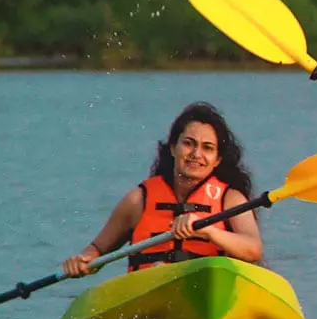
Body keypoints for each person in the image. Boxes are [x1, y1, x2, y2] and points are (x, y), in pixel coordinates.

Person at [61, 102, 262, 277]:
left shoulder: (231, 199)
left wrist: (208, 231)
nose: (196, 154)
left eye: (207, 148)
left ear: (217, 160)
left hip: (205, 286)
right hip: (149, 287)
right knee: (157, 268)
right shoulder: (138, 200)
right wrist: (83, 260)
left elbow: (253, 249)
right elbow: (97, 249)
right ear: (173, 148)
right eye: (188, 144)